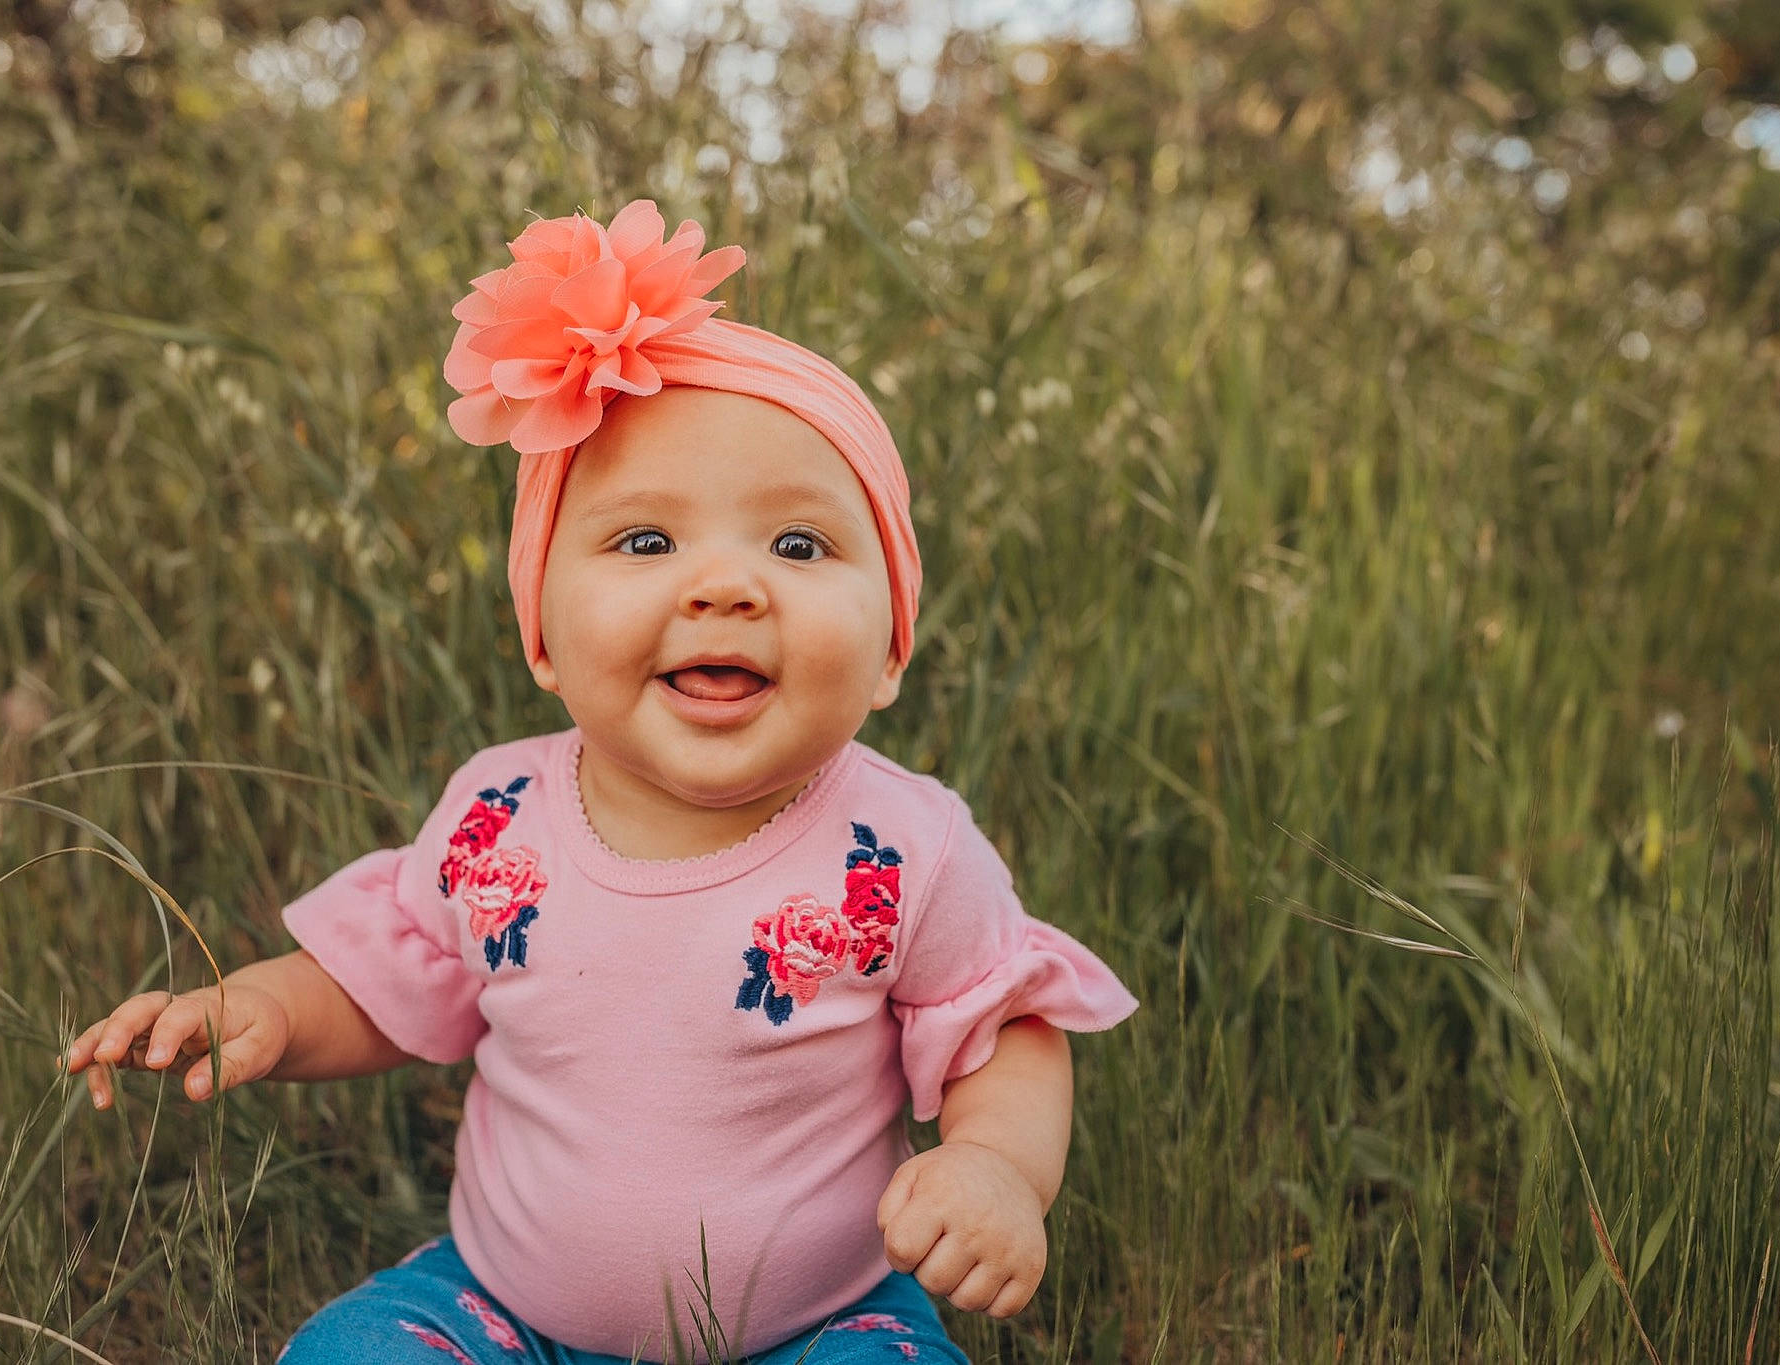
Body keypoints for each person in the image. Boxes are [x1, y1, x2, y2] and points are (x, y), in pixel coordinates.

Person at [62, 199, 1139, 1364]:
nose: (724, 588)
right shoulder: (498, 819)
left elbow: (1002, 1032)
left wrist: (990, 1164)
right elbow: (382, 983)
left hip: (820, 1320)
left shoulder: (902, 849)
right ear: (540, 636)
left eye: (796, 545)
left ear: (889, 647)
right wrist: (263, 1010)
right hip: (503, 1311)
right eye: (643, 543)